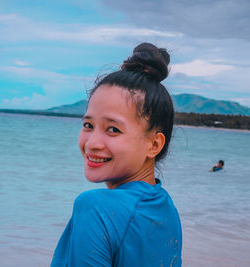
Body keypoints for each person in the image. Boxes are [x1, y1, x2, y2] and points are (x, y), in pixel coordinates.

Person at [51, 43, 182, 266]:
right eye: (88, 124)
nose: (92, 143)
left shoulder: (96, 208)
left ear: (153, 144)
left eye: (113, 129)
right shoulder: (166, 209)